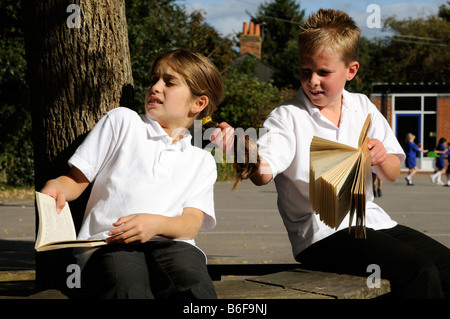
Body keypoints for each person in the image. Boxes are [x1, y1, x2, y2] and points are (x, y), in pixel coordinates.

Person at [211, 9, 450, 298]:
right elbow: (263, 173)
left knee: (445, 266)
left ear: (351, 70)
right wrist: (242, 152)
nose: (312, 81)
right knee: (418, 271)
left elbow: (391, 173)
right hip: (323, 235)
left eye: (324, 72)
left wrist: (381, 157)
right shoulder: (287, 117)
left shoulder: (363, 107)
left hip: (372, 222)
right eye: (305, 71)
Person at [40, 49, 224, 299]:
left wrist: (156, 224)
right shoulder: (123, 122)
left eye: (169, 82)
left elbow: (191, 224)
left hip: (173, 246)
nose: (156, 87)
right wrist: (57, 186)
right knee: (127, 285)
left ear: (198, 103)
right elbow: (75, 180)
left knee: (192, 282)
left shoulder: (201, 161)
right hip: (110, 243)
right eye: (153, 80)